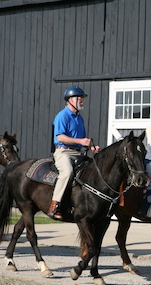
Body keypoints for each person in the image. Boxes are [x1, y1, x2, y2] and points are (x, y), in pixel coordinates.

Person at [49, 85, 99, 220]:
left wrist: (91, 148)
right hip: (63, 152)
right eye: (79, 98)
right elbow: (60, 137)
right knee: (67, 172)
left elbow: (81, 140)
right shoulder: (62, 116)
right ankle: (55, 206)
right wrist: (81, 141)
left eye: (82, 98)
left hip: (78, 153)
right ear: (70, 99)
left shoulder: (79, 118)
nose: (82, 100)